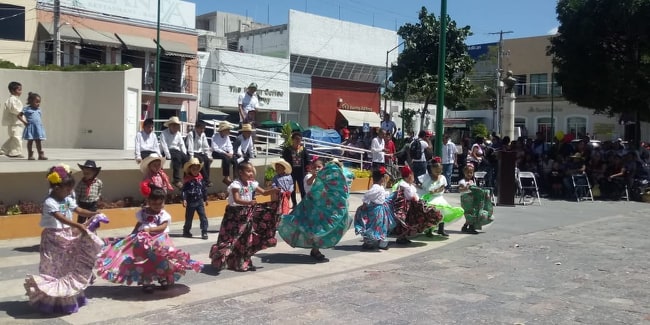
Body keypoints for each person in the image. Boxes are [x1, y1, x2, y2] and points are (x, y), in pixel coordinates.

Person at [24, 164, 103, 314]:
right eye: (67, 189)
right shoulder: (50, 202)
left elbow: (78, 210)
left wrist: (93, 214)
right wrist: (78, 225)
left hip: (66, 235)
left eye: (70, 189)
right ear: (56, 188)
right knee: (53, 267)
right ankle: (51, 301)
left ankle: (68, 299)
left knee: (67, 265)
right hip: (53, 237)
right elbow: (60, 217)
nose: (70, 192)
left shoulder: (66, 199)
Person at [96, 186, 202, 293]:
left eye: (160, 203)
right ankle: (147, 281)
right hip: (143, 242)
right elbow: (139, 223)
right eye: (154, 203)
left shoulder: (163, 214)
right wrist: (133, 233)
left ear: (163, 202)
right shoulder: (143, 212)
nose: (157, 206)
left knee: (160, 260)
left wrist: (150, 229)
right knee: (143, 261)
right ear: (148, 201)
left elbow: (163, 227)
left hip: (159, 242)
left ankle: (162, 277)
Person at [209, 161, 280, 272]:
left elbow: (264, 193)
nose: (251, 173)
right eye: (248, 171)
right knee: (232, 238)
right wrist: (249, 203)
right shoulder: (235, 185)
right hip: (234, 216)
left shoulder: (252, 183)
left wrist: (274, 191)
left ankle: (243, 261)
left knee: (246, 239)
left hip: (247, 214)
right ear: (240, 172)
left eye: (252, 171)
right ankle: (225, 259)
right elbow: (237, 199)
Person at [278, 160, 351, 262]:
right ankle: (315, 250)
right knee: (311, 229)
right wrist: (315, 176)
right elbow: (308, 185)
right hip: (310, 207)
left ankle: (315, 249)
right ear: (311, 168)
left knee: (320, 229)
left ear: (323, 168)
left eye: (319, 167)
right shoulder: (308, 177)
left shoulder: (325, 179)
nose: (317, 169)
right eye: (315, 167)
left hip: (320, 209)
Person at [390, 165, 442, 245]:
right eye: (412, 175)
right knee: (406, 223)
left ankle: (403, 237)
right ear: (409, 176)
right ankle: (401, 238)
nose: (414, 177)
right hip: (407, 209)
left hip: (411, 207)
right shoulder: (404, 185)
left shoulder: (407, 184)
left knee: (409, 223)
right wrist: (417, 200)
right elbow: (410, 196)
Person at [354, 166, 395, 250]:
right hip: (376, 210)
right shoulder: (376, 187)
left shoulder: (379, 187)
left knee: (380, 226)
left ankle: (379, 242)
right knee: (375, 226)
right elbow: (367, 195)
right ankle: (371, 242)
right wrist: (365, 203)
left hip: (379, 210)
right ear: (382, 178)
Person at [421, 158, 464, 237]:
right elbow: (425, 188)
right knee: (431, 214)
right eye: (436, 171)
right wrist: (431, 191)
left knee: (443, 212)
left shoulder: (442, 178)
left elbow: (442, 187)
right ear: (431, 169)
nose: (438, 173)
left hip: (439, 198)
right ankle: (429, 230)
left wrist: (437, 190)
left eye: (439, 171)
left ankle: (441, 229)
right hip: (431, 198)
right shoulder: (427, 178)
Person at [181, 157, 209, 239]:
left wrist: (205, 198)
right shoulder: (187, 180)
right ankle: (186, 230)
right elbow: (184, 191)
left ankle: (204, 231)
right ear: (190, 169)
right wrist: (184, 199)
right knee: (189, 218)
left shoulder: (200, 179)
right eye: (193, 169)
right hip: (191, 201)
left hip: (199, 201)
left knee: (203, 216)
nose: (195, 171)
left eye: (197, 169)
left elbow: (203, 189)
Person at [159, 116, 188, 189]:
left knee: (187, 159)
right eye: (174, 125)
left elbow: (182, 144)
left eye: (177, 125)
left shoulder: (178, 134)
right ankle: (176, 179)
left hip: (176, 151)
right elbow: (164, 146)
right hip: (168, 151)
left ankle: (186, 178)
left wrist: (184, 154)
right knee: (177, 158)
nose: (176, 127)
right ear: (170, 125)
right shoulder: (164, 133)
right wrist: (168, 156)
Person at [282, 132, 309, 207]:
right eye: (296, 139)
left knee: (302, 188)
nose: (298, 141)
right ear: (292, 140)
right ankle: (294, 204)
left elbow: (307, 160)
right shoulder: (288, 149)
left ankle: (304, 204)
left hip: (301, 172)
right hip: (291, 172)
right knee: (292, 188)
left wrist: (307, 169)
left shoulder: (303, 149)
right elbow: (284, 161)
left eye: (300, 139)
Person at [1, 81, 26, 158]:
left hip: (16, 122)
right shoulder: (12, 99)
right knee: (17, 137)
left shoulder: (15, 99)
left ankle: (3, 150)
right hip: (14, 122)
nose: (21, 91)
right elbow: (14, 109)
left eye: (21, 89)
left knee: (13, 138)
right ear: (12, 91)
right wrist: (22, 113)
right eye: (19, 90)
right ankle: (15, 152)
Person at [74, 160, 103, 224]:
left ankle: (91, 232)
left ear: (94, 173)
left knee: (93, 221)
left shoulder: (98, 182)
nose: (85, 175)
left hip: (92, 204)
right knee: (81, 221)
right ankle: (81, 232)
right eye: (84, 173)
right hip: (83, 204)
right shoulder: (81, 183)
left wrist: (97, 199)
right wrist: (76, 203)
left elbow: (99, 191)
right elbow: (77, 194)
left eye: (88, 173)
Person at [186, 120, 213, 187]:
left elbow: (205, 146)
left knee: (206, 160)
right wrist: (191, 158)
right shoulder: (191, 134)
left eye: (204, 128)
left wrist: (208, 155)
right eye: (201, 128)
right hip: (192, 152)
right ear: (196, 128)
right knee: (201, 160)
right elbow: (190, 146)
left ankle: (206, 179)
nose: (202, 130)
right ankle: (206, 180)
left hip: (199, 152)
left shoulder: (203, 135)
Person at [22, 92, 47, 160]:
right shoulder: (26, 109)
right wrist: (24, 122)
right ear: (30, 101)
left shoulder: (38, 109)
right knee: (30, 141)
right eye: (36, 102)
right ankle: (30, 154)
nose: (38, 103)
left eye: (39, 102)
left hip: (38, 128)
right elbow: (18, 116)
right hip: (31, 127)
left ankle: (40, 154)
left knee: (38, 141)